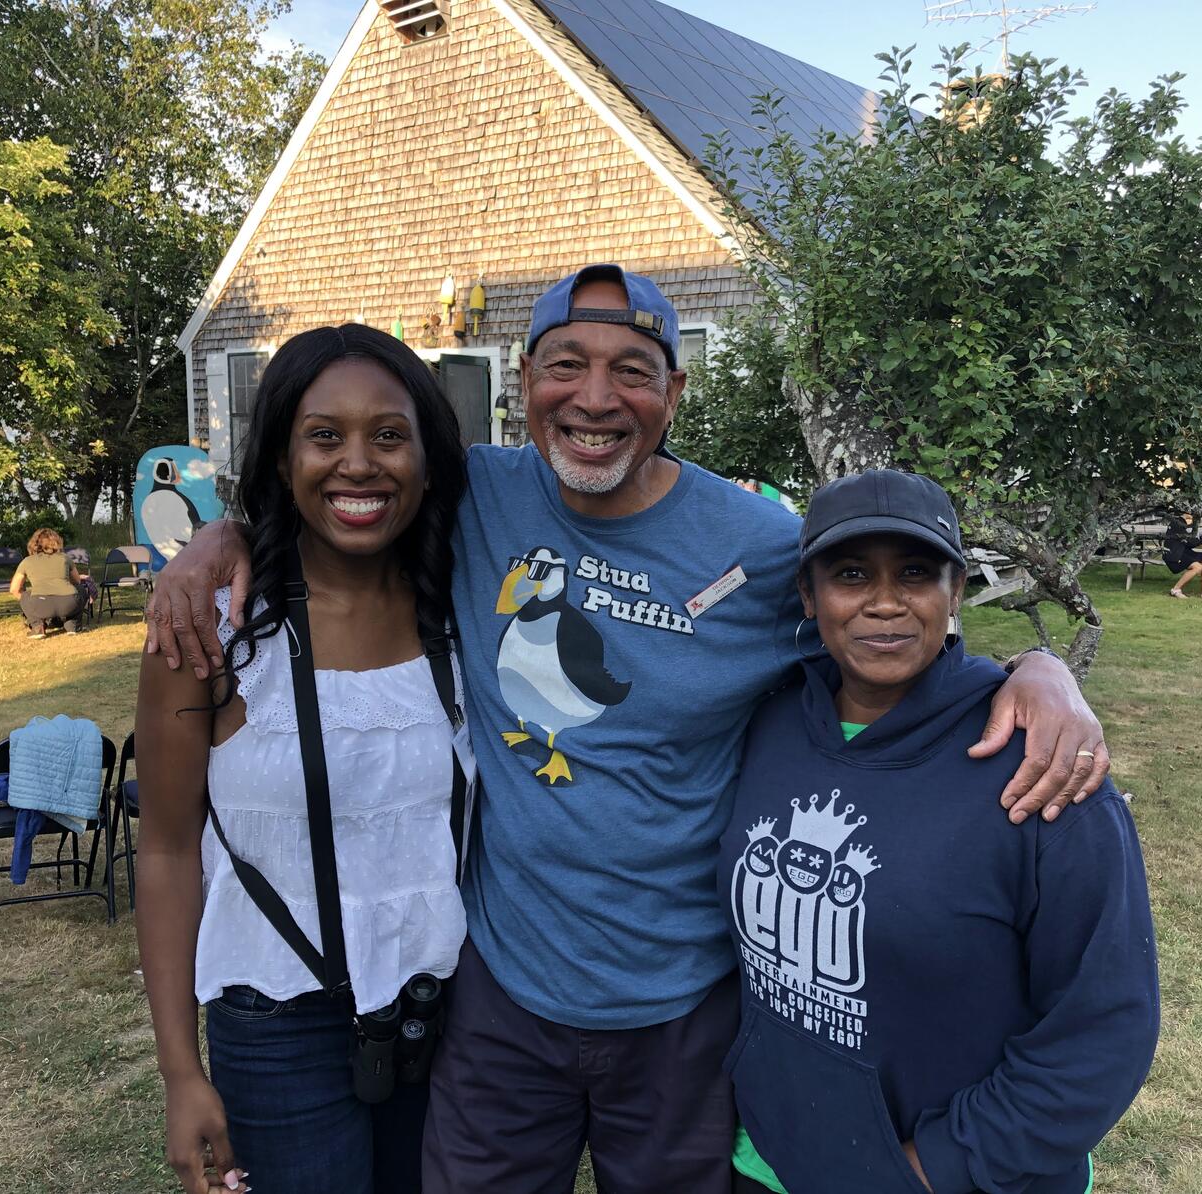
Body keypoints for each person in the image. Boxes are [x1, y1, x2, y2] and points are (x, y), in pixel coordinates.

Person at [146, 265, 1112, 1192]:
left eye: (632, 372)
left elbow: (884, 619)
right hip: (499, 999)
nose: (595, 400)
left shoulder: (762, 548)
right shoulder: (475, 493)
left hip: (683, 1012)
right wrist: (216, 541)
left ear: (675, 392)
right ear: (524, 381)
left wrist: (1038, 670)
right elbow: (338, 487)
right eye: (566, 365)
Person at [719, 470, 1159, 1194]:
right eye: (851, 574)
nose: (885, 602)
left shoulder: (1043, 768)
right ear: (808, 595)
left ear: (955, 592)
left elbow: (1102, 1028)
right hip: (769, 1163)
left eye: (916, 574)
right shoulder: (769, 724)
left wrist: (932, 1169)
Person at [133, 324, 471, 1194]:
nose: (358, 463)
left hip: (446, 1010)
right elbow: (168, 852)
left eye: (389, 436)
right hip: (276, 1021)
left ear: (428, 459)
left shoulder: (471, 604)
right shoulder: (210, 629)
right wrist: (181, 1072)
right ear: (282, 460)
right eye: (324, 436)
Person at [9, 527, 90, 636]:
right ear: (56, 542)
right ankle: (73, 624)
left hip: (40, 603)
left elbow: (14, 589)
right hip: (68, 603)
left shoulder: (26, 561)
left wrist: (31, 604)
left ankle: (37, 626)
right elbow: (77, 581)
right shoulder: (64, 558)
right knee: (81, 589)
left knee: (25, 595)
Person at [1162, 515, 1202, 599]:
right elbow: (1190, 542)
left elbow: (1187, 542)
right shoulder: (1178, 523)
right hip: (1174, 555)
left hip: (1182, 551)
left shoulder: (1181, 522)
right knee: (1197, 567)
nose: (1194, 514)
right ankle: (1175, 590)